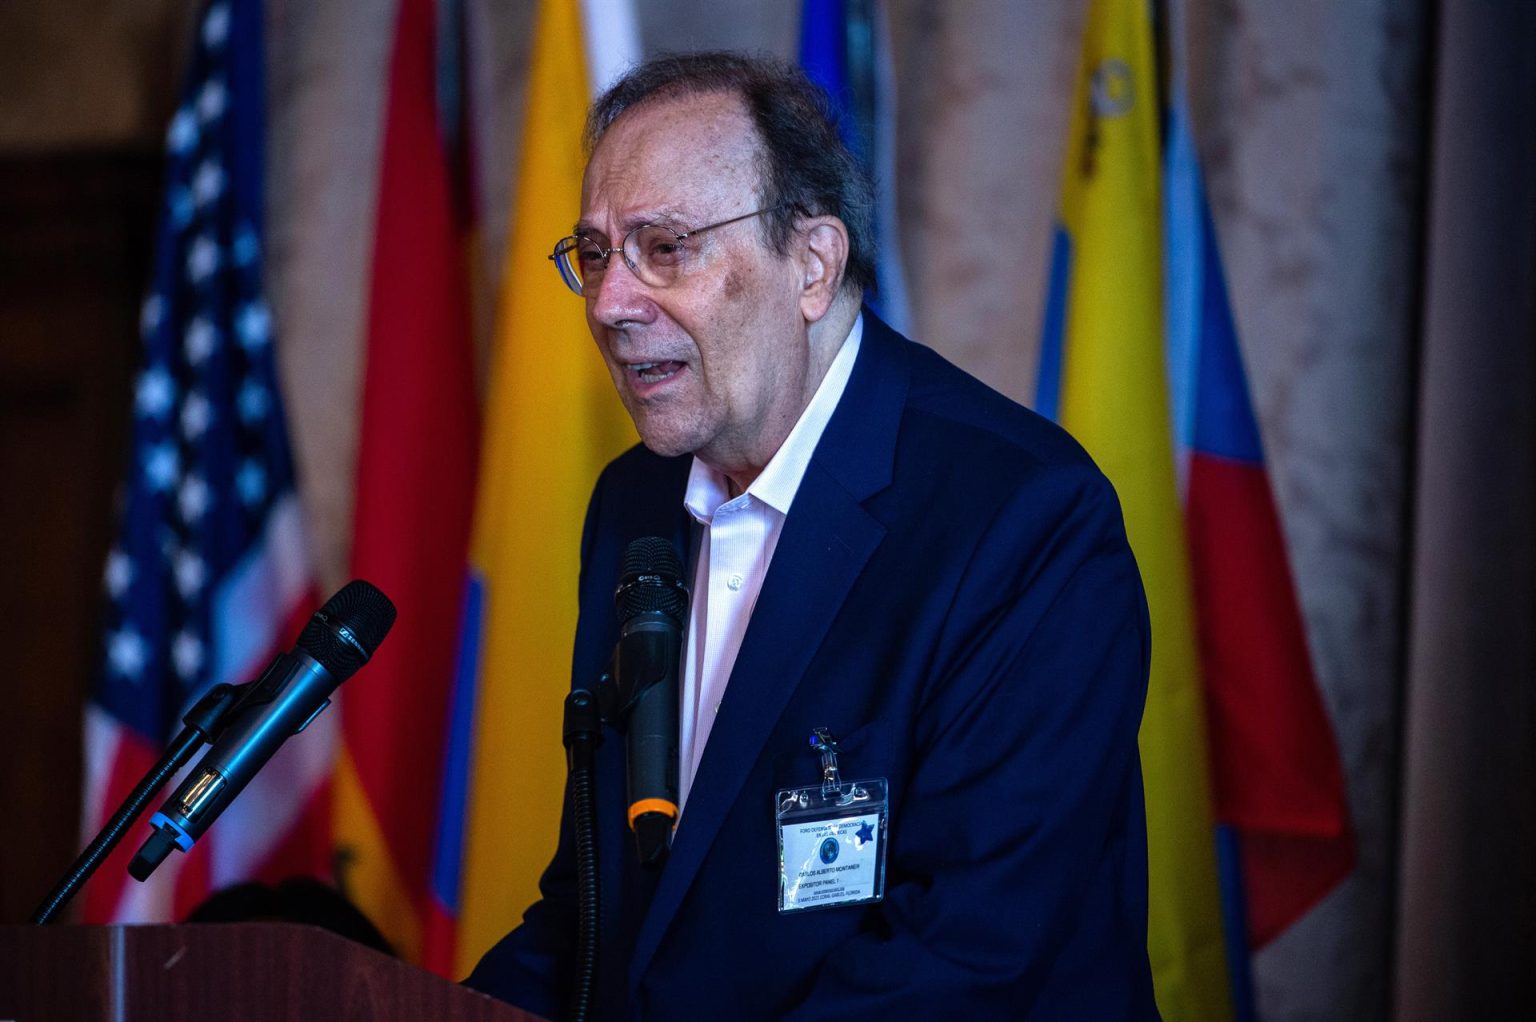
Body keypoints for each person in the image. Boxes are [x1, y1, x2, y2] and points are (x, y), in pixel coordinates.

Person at [466, 52, 1158, 1019]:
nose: (610, 304)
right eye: (594, 254)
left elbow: (968, 957)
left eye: (665, 248)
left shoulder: (1025, 521)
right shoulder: (634, 506)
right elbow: (602, 909)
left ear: (813, 265)